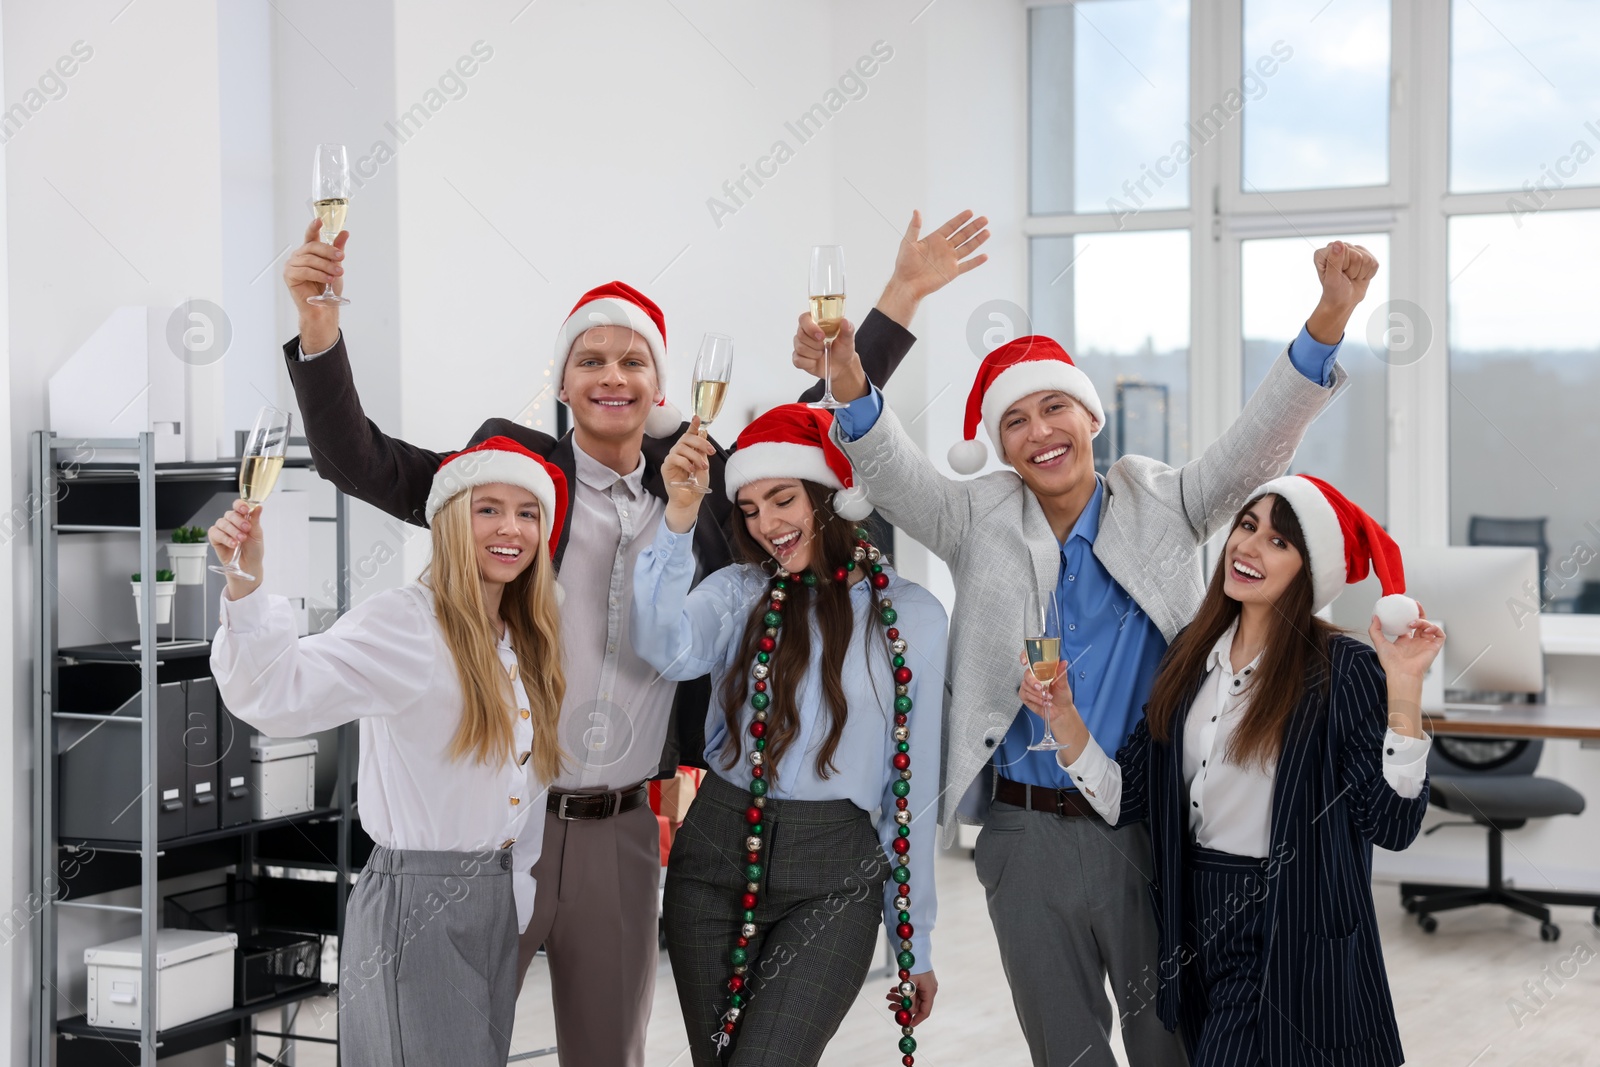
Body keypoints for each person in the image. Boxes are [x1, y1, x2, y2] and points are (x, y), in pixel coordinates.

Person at [278, 209, 988, 1065]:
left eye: (632, 360)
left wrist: (900, 295)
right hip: (504, 823)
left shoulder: (702, 486)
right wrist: (321, 332)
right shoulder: (507, 487)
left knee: (609, 1055)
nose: (611, 376)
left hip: (622, 831)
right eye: (590, 360)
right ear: (564, 383)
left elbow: (803, 432)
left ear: (659, 387)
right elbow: (358, 459)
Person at [812, 241, 1381, 1066]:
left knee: (1168, 1047)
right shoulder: (976, 517)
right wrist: (848, 379)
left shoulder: (1164, 501)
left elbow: (1259, 444)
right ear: (1000, 444)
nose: (1040, 432)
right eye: (1015, 420)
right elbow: (892, 471)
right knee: (1065, 1054)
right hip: (1023, 834)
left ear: (1089, 417)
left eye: (1054, 409)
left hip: (1146, 830)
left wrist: (1328, 317)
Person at [1023, 475, 1443, 1065]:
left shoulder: (1340, 669)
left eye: (1278, 542)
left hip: (1293, 921)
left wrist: (1404, 689)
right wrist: (1063, 717)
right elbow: (1127, 798)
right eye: (1247, 527)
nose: (1249, 547)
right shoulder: (1189, 654)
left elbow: (1393, 825)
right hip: (1196, 917)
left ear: (1309, 570)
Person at [209, 437, 568, 1066]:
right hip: (417, 907)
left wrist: (517, 898)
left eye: (528, 512)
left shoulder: (525, 637)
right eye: (489, 509)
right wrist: (246, 582)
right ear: (453, 521)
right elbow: (277, 692)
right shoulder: (406, 624)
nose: (511, 528)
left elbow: (521, 798)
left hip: (495, 902)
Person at [631, 404, 945, 1066]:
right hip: (715, 857)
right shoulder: (738, 593)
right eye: (748, 508)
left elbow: (909, 792)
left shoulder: (912, 617)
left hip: (835, 875)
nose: (767, 524)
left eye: (782, 499)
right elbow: (662, 646)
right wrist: (679, 518)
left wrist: (913, 937)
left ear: (831, 496)